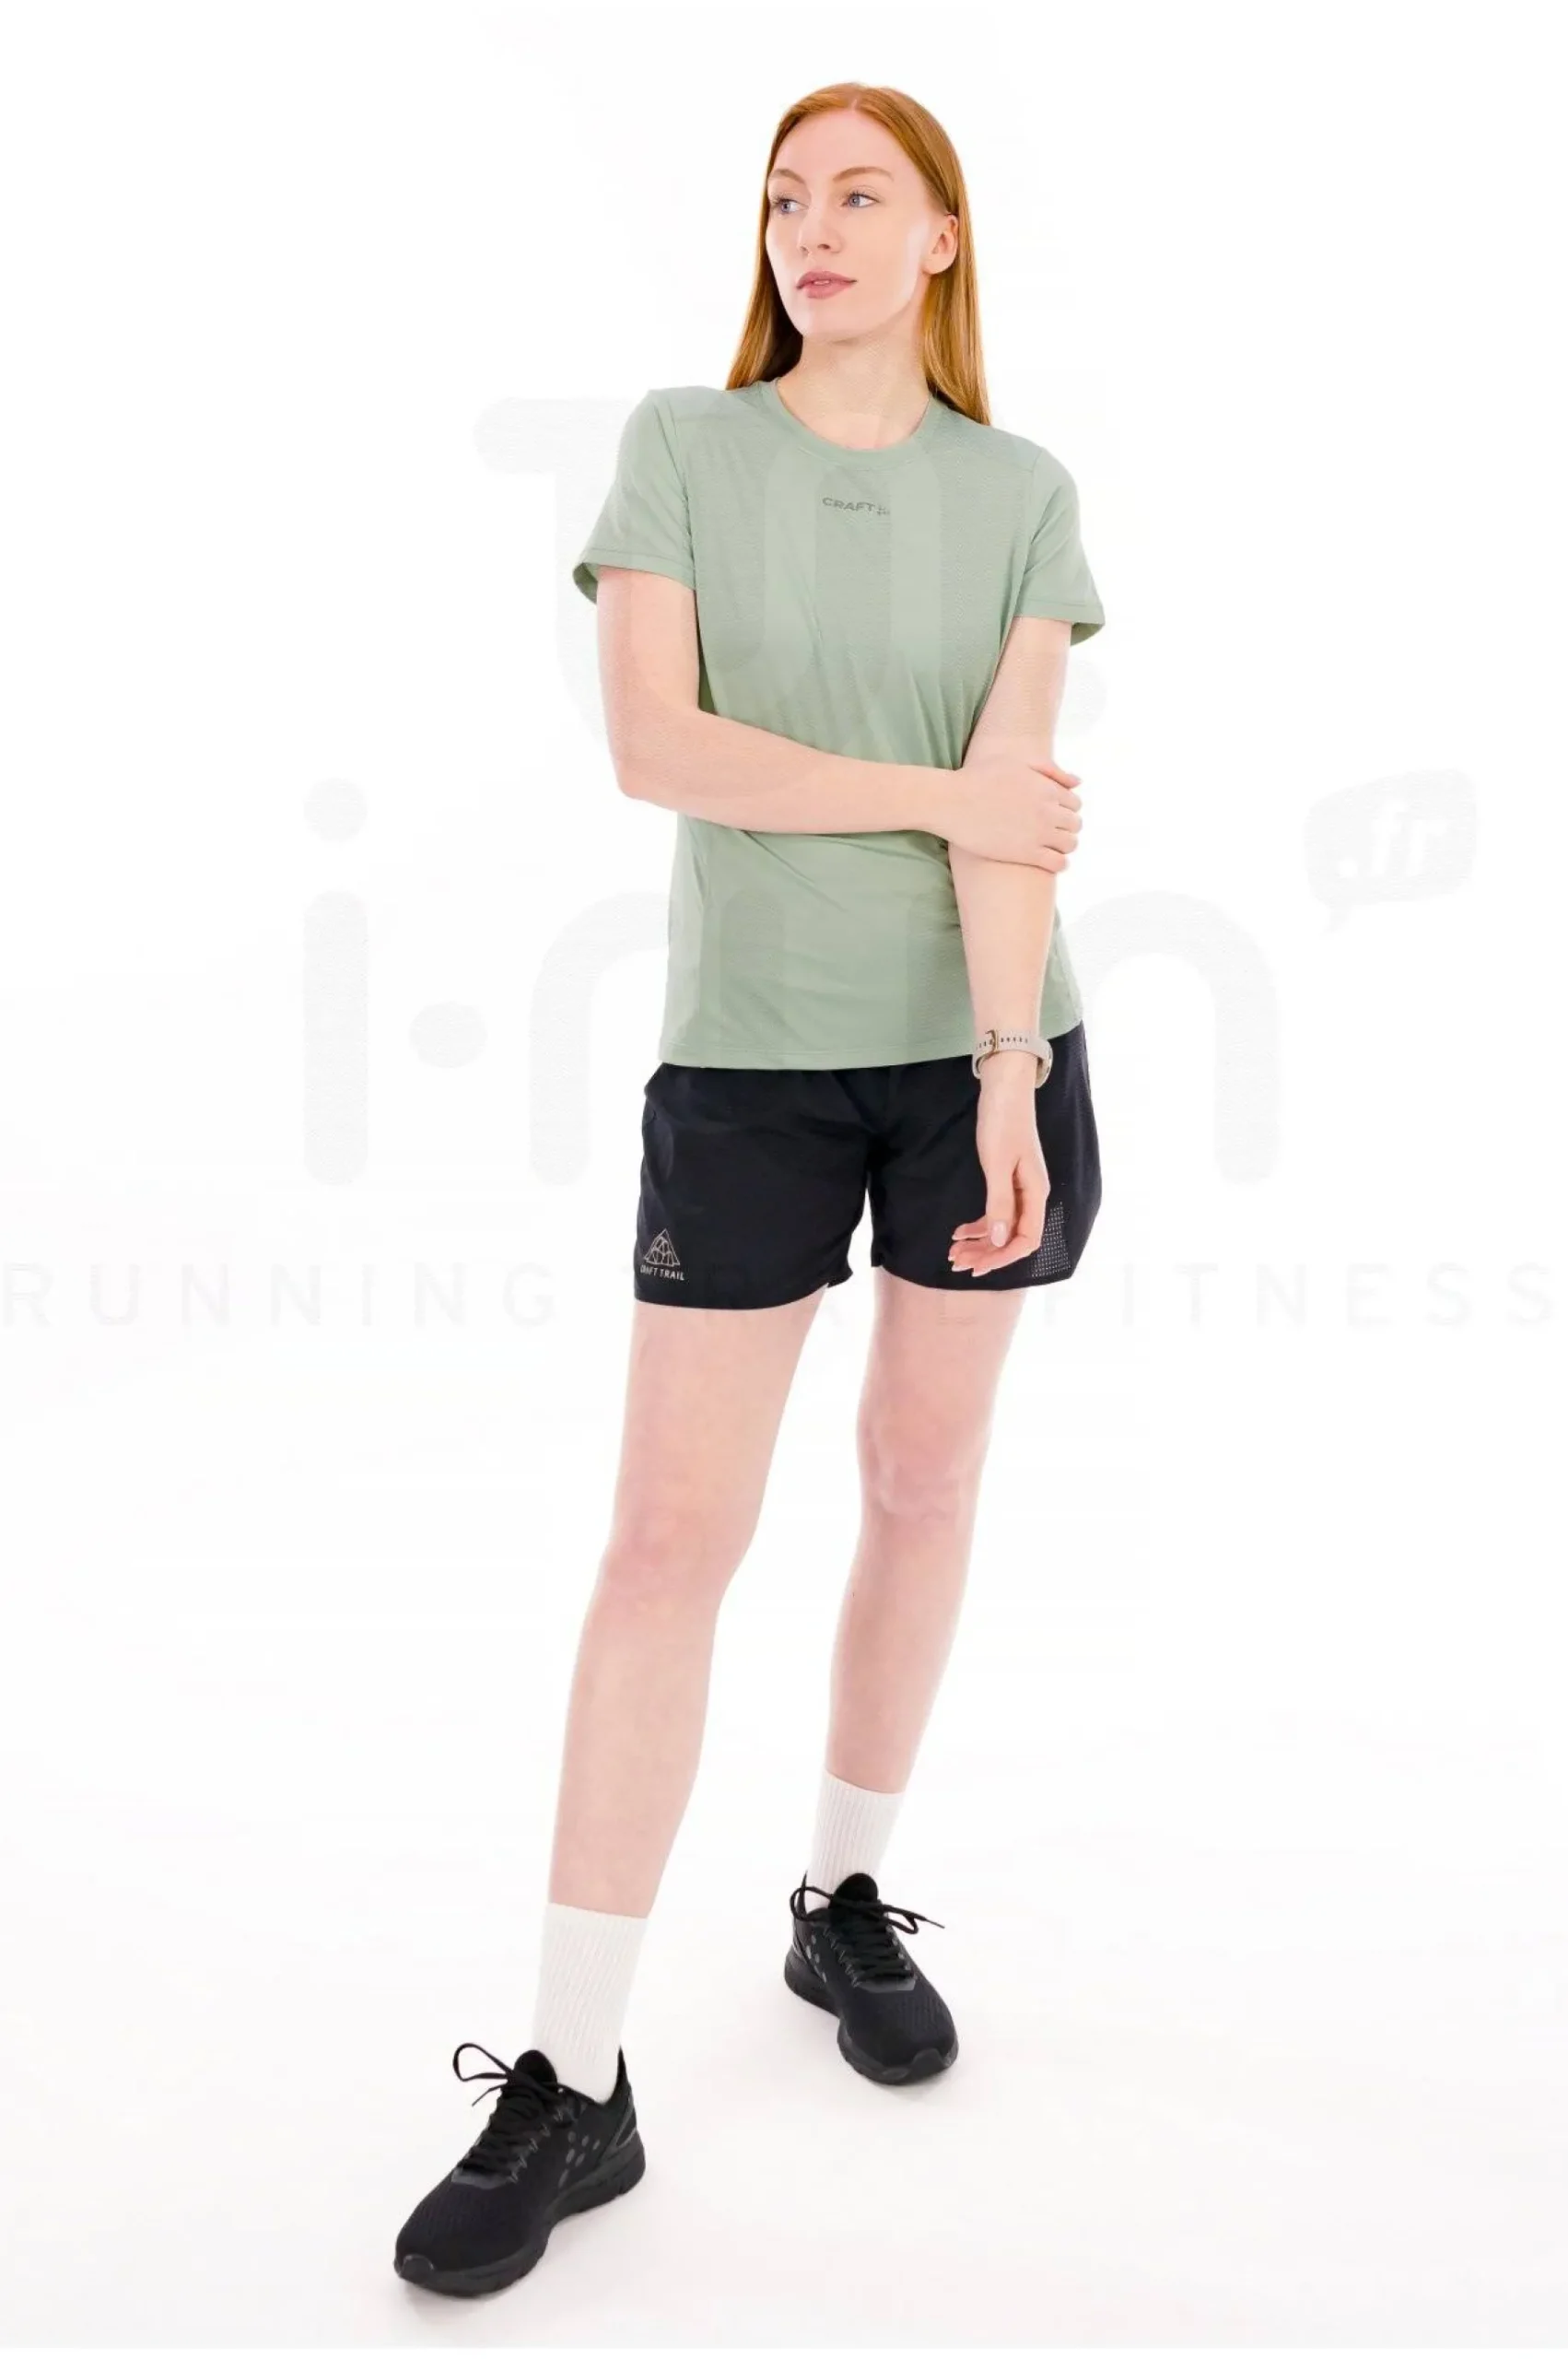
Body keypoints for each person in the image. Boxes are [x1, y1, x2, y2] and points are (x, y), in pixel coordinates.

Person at [394, 77, 1106, 2300]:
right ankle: (572, 2071)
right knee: (664, 1542)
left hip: (985, 1054)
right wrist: (934, 789)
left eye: (859, 192)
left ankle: (839, 1899)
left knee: (919, 1478)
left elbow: (1017, 812)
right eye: (786, 195)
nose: (814, 225)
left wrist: (1009, 1070)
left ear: (941, 237)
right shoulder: (684, 449)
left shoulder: (1020, 492)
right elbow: (657, 747)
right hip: (751, 1071)